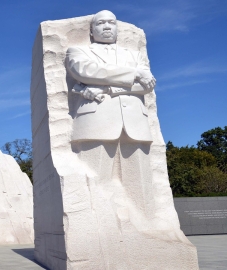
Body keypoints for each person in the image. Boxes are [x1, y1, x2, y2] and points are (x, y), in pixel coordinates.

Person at [65, 10, 157, 211]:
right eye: (101, 23)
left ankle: (146, 225)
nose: (107, 26)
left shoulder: (135, 55)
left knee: (141, 184)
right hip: (96, 121)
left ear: (117, 28)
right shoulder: (77, 52)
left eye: (111, 23)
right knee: (95, 179)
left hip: (135, 122)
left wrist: (107, 88)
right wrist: (134, 74)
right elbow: (87, 72)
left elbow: (147, 86)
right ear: (91, 31)